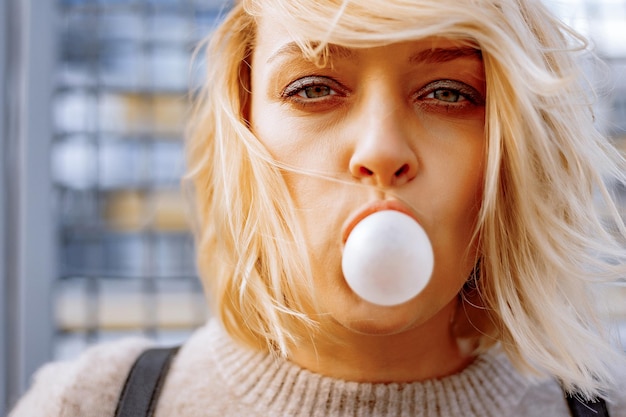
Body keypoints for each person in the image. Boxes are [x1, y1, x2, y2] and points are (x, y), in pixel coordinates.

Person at [9, 0, 626, 416]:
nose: (382, 150)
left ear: (515, 147)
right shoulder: (92, 404)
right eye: (313, 88)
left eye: (448, 92)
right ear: (246, 127)